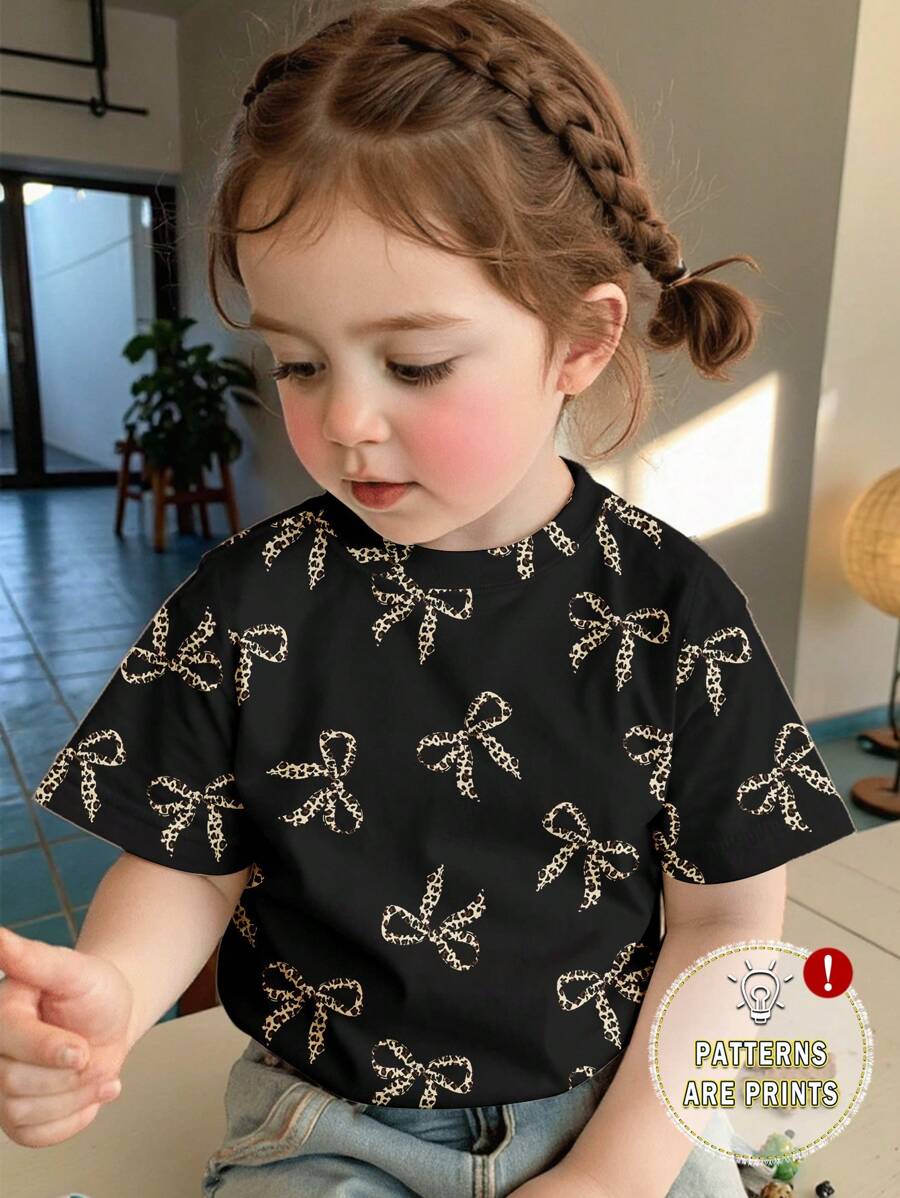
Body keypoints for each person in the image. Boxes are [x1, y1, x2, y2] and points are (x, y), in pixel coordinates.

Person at [0, 2, 856, 1195]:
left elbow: (726, 929)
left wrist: (611, 1176)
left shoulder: (677, 616)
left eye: (414, 364)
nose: (347, 420)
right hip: (331, 1122)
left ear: (580, 339)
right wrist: (116, 990)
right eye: (299, 361)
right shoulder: (247, 606)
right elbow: (193, 861)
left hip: (625, 1112)